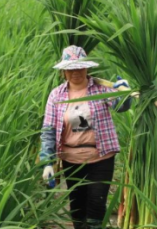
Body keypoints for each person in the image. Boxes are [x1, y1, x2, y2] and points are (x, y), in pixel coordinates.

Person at [39, 45, 131, 229]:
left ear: (87, 67)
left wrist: (124, 93)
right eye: (71, 69)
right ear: (64, 71)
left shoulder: (101, 89)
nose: (76, 72)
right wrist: (47, 161)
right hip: (72, 161)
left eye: (80, 67)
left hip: (101, 157)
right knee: (77, 208)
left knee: (96, 208)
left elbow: (121, 107)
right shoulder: (56, 95)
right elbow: (49, 129)